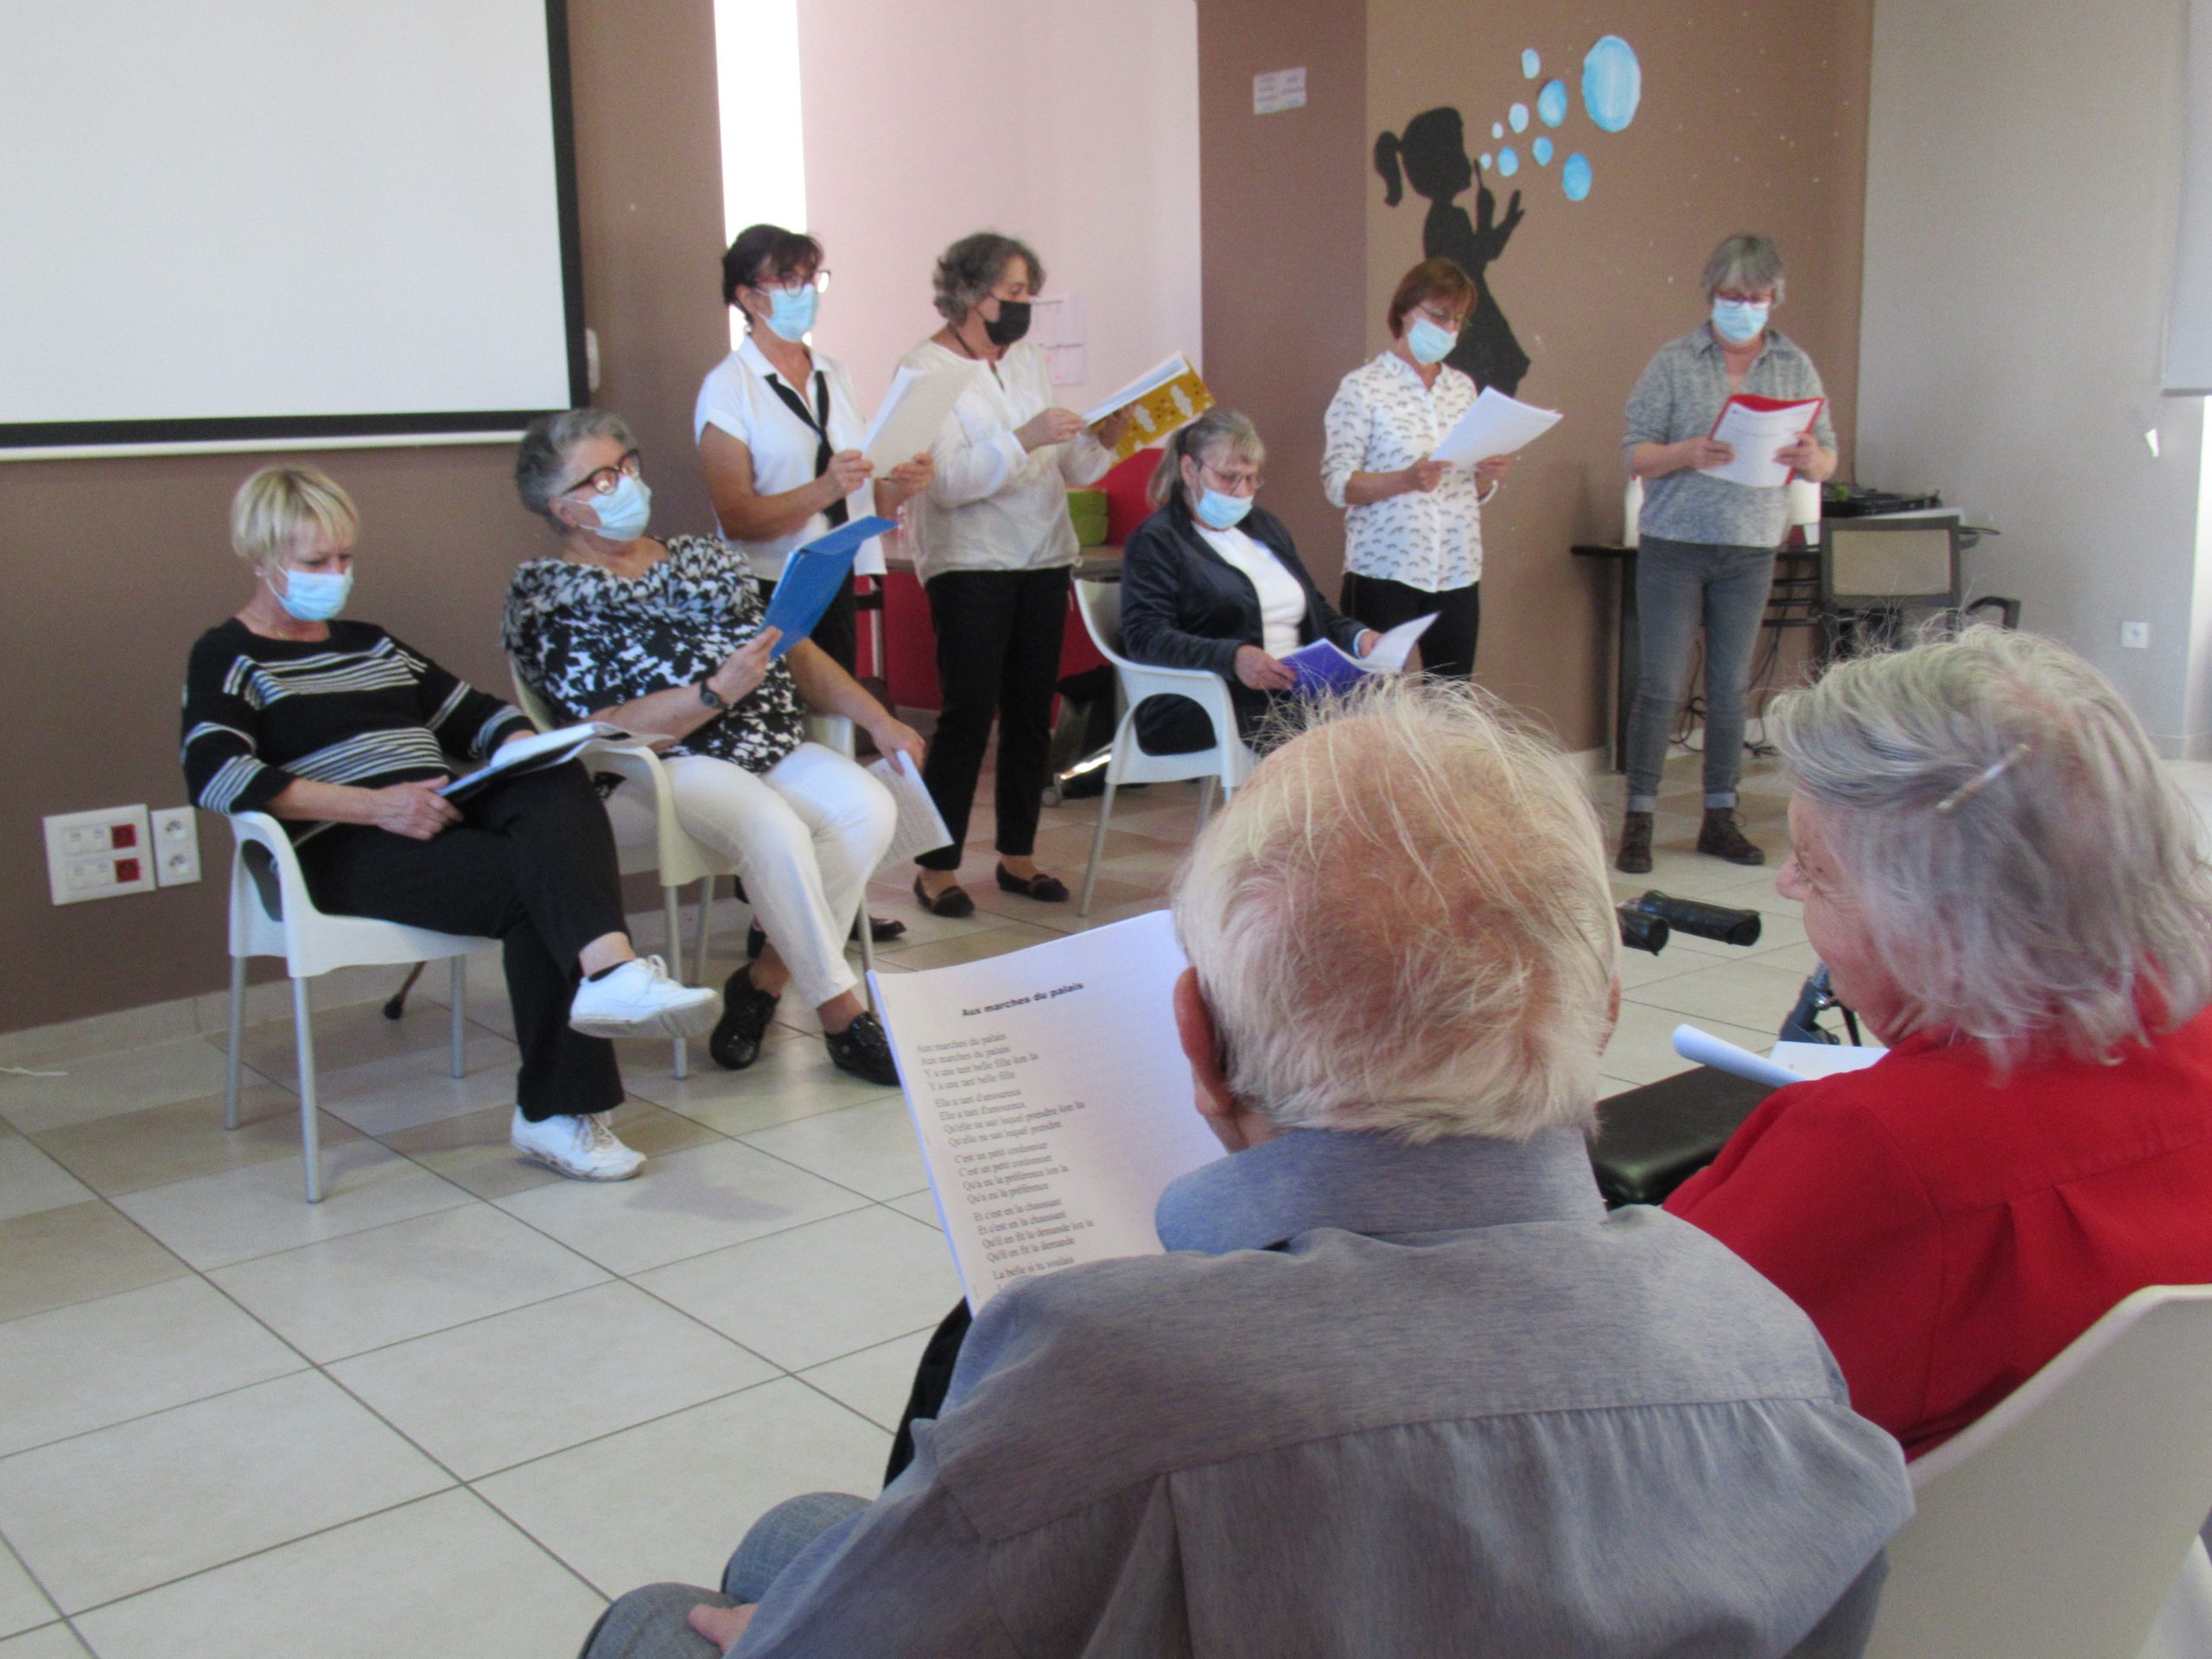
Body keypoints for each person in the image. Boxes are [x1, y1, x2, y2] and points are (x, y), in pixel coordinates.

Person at [576, 680, 1911, 1659]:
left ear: (1199, 1048)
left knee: (666, 1613)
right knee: (801, 1536)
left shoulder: (1106, 1377)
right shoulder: (1775, 1357)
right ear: (1599, 1013)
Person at [1666, 627, 2212, 1459]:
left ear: (1939, 920)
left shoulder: (1876, 1153)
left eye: (1815, 869)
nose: (1787, 883)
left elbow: (1639, 1388)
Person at [182, 465, 718, 1183]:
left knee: (554, 772)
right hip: (342, 844)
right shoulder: (228, 655)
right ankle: (558, 1111)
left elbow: (477, 714)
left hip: (438, 808)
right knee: (539, 887)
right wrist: (378, 805)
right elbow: (215, 775)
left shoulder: (371, 643)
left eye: (344, 558)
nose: (335, 576)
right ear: (262, 558)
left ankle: (610, 973)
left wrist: (520, 744)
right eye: (314, 563)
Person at [503, 410, 921, 1088]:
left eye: (628, 466)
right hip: (663, 760)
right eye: (603, 478)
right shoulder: (549, 599)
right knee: (772, 826)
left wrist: (878, 721)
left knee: (868, 806)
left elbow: (792, 652)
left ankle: (762, 982)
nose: (627, 484)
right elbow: (602, 723)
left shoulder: (705, 558)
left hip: (765, 738)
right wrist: (714, 693)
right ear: (563, 507)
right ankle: (844, 1018)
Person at [696, 223, 934, 949]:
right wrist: (826, 486)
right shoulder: (729, 386)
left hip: (838, 570)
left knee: (831, 740)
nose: (805, 293)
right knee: (775, 748)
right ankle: (773, 913)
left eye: (812, 278)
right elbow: (738, 516)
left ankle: (835, 898)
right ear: (747, 296)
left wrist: (897, 486)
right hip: (767, 587)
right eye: (787, 280)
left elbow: (858, 494)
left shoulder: (832, 372)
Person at [899, 231, 1128, 918]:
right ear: (971, 293)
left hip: (1043, 554)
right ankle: (936, 867)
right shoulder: (924, 368)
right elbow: (946, 485)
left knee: (1032, 713)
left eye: (1030, 293)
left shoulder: (1026, 360)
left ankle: (1018, 854)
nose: (1026, 306)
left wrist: (1106, 438)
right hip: (970, 561)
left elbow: (1070, 465)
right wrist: (1025, 436)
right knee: (969, 714)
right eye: (1015, 293)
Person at [1617, 232, 1838, 874]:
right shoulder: (1673, 361)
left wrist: (1811, 458)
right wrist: (1686, 452)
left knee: (1730, 686)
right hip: (1675, 544)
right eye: (1731, 296)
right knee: (1661, 684)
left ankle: (1720, 815)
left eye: (1755, 297)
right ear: (1711, 294)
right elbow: (1636, 453)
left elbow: (1826, 457)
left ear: (1774, 299)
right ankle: (1638, 817)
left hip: (1751, 547)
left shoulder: (1794, 365)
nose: (1743, 307)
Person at [1122, 408, 1377, 755]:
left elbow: (1316, 610)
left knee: (1384, 715)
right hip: (1207, 697)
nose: (1241, 491)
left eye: (1251, 478)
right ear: (1189, 470)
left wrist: (1359, 638)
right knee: (1330, 737)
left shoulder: (1264, 526)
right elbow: (1145, 637)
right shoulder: (1157, 541)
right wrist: (1233, 657)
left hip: (1291, 688)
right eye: (1228, 477)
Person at [1321, 257, 1513, 683]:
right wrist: (1404, 480)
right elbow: (1337, 483)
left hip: (1457, 567)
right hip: (1385, 568)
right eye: (1439, 315)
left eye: (1458, 320)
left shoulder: (1461, 388)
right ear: (1406, 309)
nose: (1448, 329)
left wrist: (1487, 476)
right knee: (1376, 697)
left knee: (1453, 697)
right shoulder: (1363, 387)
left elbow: (1468, 486)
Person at [1373, 108, 1529, 395]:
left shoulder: (1448, 216)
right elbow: (1475, 259)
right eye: (1459, 153)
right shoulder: (1445, 218)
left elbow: (1478, 255)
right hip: (1480, 323)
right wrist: (1493, 220)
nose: (1467, 162)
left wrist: (1494, 219)